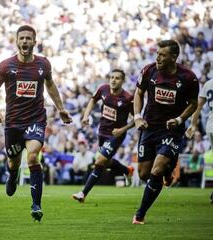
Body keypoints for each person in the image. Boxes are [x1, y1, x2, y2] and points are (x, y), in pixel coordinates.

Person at [0, 25, 72, 222]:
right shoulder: (5, 66)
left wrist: (60, 108)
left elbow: (50, 85)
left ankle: (36, 205)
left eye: (28, 38)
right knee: (14, 161)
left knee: (33, 157)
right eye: (22, 38)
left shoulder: (44, 64)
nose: (25, 41)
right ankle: (12, 175)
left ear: (35, 42)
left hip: (36, 119)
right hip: (13, 123)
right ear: (17, 41)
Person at [133, 40, 199, 224]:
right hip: (149, 127)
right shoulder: (149, 70)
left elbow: (193, 104)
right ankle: (169, 170)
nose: (158, 58)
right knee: (144, 174)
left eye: (162, 55)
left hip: (171, 130)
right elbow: (138, 93)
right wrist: (138, 116)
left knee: (157, 168)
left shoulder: (188, 78)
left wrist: (179, 119)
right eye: (157, 54)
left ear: (173, 57)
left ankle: (140, 215)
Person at [72, 69, 135, 203]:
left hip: (116, 135)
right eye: (111, 77)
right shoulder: (103, 89)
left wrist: (122, 129)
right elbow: (93, 100)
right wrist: (86, 115)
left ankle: (83, 193)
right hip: (102, 132)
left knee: (99, 161)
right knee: (105, 162)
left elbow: (137, 119)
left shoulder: (128, 98)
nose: (113, 80)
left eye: (117, 78)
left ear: (122, 81)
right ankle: (127, 170)